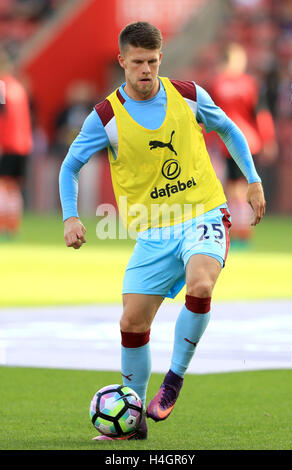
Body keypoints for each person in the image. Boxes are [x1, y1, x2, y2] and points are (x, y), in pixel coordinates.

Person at [59, 22, 265, 441]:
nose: (147, 70)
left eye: (153, 61)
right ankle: (133, 421)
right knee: (132, 322)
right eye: (138, 63)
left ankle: (173, 380)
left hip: (203, 214)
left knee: (201, 284)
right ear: (123, 62)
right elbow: (69, 166)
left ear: (160, 59)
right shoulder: (106, 116)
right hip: (153, 233)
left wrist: (254, 179)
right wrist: (70, 216)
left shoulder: (187, 96)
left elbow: (228, 128)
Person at [209, 43, 277, 246]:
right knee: (246, 187)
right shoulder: (250, 84)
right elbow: (261, 114)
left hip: (226, 144)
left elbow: (208, 117)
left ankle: (237, 231)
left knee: (233, 189)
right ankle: (243, 231)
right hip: (250, 142)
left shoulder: (216, 84)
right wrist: (269, 140)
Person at [0, 47, 32, 238]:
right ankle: (13, 225)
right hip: (23, 144)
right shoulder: (18, 87)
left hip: (8, 144)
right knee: (13, 187)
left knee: (3, 185)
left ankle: (3, 224)